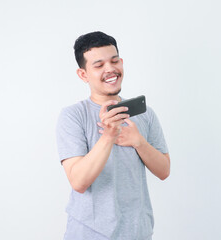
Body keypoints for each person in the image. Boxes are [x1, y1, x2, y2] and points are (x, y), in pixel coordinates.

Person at [56, 31, 170, 240]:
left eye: (114, 61)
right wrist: (108, 136)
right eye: (99, 65)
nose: (110, 69)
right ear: (83, 74)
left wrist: (138, 142)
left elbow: (164, 171)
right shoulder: (73, 116)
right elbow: (79, 182)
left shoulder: (145, 114)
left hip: (138, 232)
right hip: (89, 234)